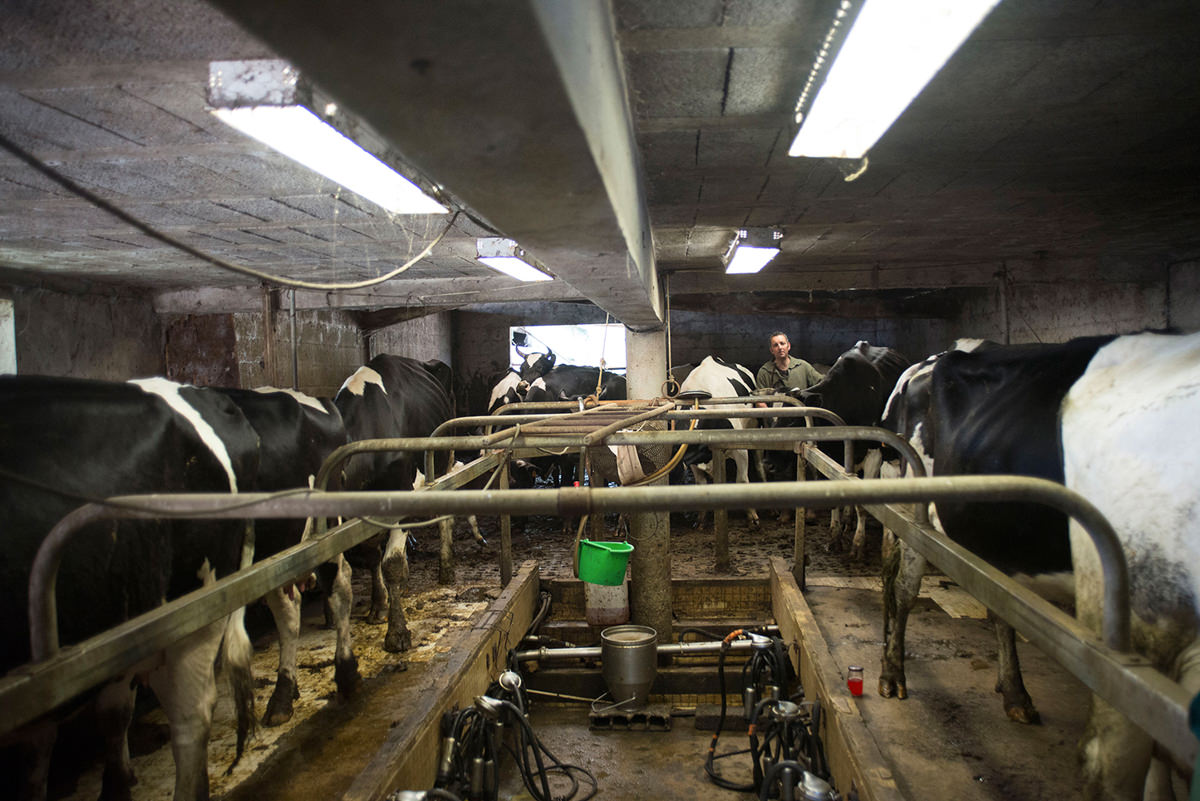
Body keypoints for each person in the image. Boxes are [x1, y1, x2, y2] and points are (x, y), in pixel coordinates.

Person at [755, 331, 822, 397]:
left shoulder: (803, 366)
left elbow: (822, 383)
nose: (780, 347)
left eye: (782, 343)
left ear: (788, 346)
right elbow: (760, 401)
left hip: (801, 407)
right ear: (772, 350)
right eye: (776, 345)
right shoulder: (764, 372)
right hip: (776, 408)